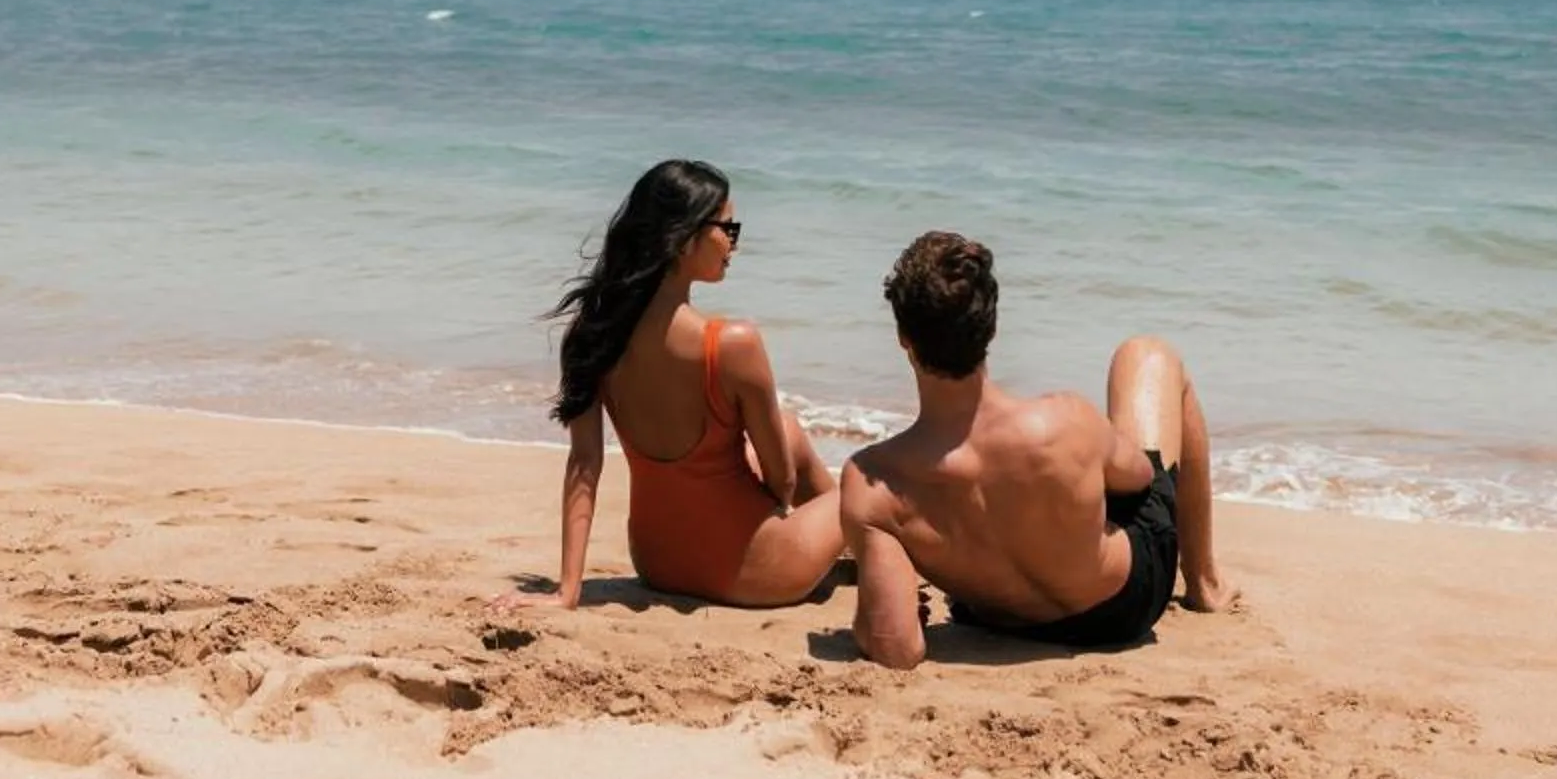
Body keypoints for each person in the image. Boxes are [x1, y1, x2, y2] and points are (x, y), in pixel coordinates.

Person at [839, 231, 1235, 665]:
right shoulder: (1064, 419)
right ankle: (1204, 582)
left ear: (903, 338)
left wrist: (867, 621)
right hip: (1125, 606)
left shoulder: (873, 481)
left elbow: (897, 648)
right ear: (991, 325)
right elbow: (1141, 477)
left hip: (996, 619)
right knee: (1148, 354)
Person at [503, 159, 844, 608]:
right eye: (728, 229)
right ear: (684, 239)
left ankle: (845, 552)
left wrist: (568, 591)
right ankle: (863, 554)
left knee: (789, 427)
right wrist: (768, 509)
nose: (734, 245)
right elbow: (782, 484)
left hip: (658, 564)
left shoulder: (592, 335)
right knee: (864, 488)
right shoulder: (732, 344)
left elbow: (584, 466)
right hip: (756, 573)